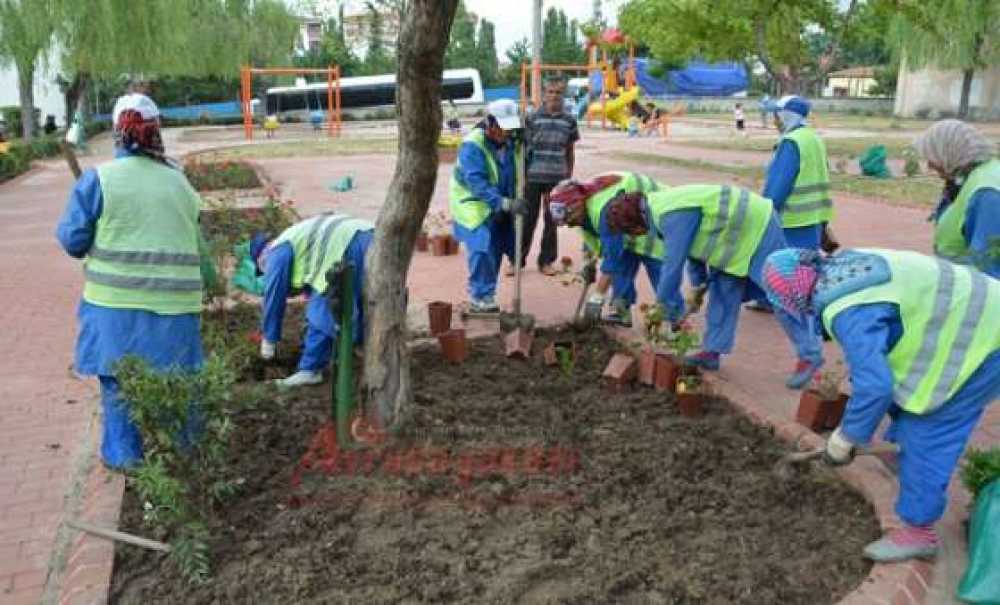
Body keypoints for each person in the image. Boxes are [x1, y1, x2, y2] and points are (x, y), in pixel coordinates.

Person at [761, 247, 1000, 562]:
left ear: (793, 296)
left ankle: (919, 532)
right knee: (906, 406)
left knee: (928, 430)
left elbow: (875, 386)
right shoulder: (845, 267)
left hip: (982, 341)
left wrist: (846, 438)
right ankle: (907, 464)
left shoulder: (844, 307)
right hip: (979, 316)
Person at [55, 93, 214, 470]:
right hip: (176, 312)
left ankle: (128, 463)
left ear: (115, 132)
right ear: (157, 131)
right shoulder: (180, 183)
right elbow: (201, 253)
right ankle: (187, 459)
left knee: (119, 388)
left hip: (114, 313)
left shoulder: (98, 180)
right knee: (180, 387)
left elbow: (72, 240)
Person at [604, 185, 823, 388]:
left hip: (756, 226)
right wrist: (699, 287)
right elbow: (694, 252)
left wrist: (659, 310)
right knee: (722, 292)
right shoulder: (657, 210)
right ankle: (712, 351)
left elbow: (673, 265)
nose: (635, 237)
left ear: (635, 222)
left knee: (779, 292)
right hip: (732, 241)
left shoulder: (669, 215)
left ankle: (810, 355)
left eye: (631, 232)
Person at [252, 213, 373, 388]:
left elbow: (273, 297)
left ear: (261, 259)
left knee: (320, 312)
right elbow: (308, 288)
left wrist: (268, 340)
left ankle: (310, 370)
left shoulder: (275, 253)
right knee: (363, 300)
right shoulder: (297, 242)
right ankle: (362, 348)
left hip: (347, 244)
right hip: (367, 234)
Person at [548, 172, 667, 327]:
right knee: (623, 257)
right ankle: (621, 310)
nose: (566, 224)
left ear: (576, 205)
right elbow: (592, 239)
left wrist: (597, 297)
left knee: (656, 264)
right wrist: (588, 264)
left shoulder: (604, 212)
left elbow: (611, 259)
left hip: (651, 213)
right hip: (627, 215)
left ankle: (674, 317)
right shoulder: (580, 215)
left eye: (567, 218)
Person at [750, 95, 833, 313]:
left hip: (792, 215)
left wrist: (766, 208)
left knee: (779, 261)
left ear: (787, 115)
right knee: (806, 263)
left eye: (777, 114)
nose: (775, 119)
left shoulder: (791, 142)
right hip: (814, 213)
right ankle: (805, 300)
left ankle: (776, 301)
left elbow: (780, 181)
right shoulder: (813, 137)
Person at [449, 98, 527, 312]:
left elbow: (514, 173)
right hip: (472, 204)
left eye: (511, 129)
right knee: (482, 248)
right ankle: (479, 297)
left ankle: (487, 293)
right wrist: (504, 203)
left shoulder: (513, 143)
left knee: (500, 246)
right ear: (490, 123)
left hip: (501, 202)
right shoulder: (472, 145)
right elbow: (477, 183)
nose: (507, 133)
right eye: (504, 128)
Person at [913, 119, 1000, 279]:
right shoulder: (967, 178)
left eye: (933, 157)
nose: (930, 166)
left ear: (950, 152)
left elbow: (988, 268)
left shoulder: (987, 194)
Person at [519, 76, 579, 276]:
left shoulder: (569, 121)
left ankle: (546, 261)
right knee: (527, 220)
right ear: (544, 94)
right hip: (533, 177)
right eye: (550, 92)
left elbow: (570, 151)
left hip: (557, 178)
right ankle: (517, 260)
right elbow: (524, 150)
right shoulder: (532, 118)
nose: (554, 96)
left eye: (558, 93)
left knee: (552, 220)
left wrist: (568, 178)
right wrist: (523, 177)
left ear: (564, 95)